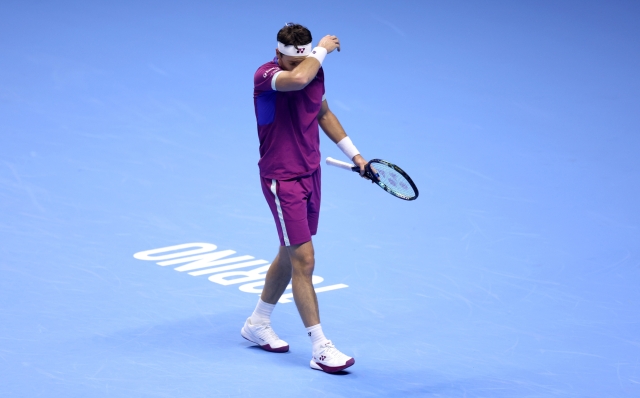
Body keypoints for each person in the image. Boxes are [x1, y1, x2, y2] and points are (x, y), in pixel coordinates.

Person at [241, 23, 367, 373]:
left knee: (289, 251)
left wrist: (355, 154)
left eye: (303, 62)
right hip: (283, 180)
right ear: (278, 53)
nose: (298, 69)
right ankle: (320, 347)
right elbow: (297, 80)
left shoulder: (313, 70)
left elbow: (323, 113)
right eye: (291, 61)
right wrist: (321, 49)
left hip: (312, 172)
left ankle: (257, 323)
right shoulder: (267, 76)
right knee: (305, 259)